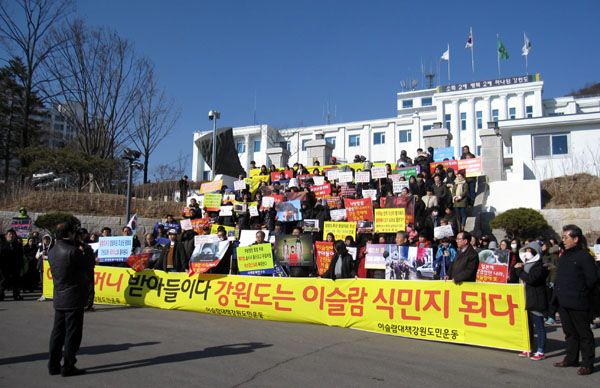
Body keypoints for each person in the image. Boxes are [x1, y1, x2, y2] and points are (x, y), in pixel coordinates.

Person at [48, 221, 94, 376]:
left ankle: (53, 365)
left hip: (59, 296)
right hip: (73, 297)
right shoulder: (73, 251)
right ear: (69, 233)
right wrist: (86, 251)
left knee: (57, 333)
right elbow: (88, 270)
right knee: (72, 334)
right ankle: (68, 366)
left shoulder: (53, 250)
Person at [553, 225, 598, 375]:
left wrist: (580, 292)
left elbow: (592, 279)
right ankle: (571, 358)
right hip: (564, 301)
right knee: (570, 332)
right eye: (562, 237)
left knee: (584, 334)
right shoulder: (564, 255)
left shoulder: (584, 256)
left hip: (579, 302)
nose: (563, 240)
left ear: (576, 239)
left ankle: (587, 363)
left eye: (566, 237)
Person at [514, 242, 549, 361]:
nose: (527, 253)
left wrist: (519, 271)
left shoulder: (540, 266)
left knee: (539, 326)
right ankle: (528, 347)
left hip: (536, 299)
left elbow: (531, 279)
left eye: (530, 251)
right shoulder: (525, 265)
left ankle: (541, 350)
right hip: (526, 298)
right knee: (527, 325)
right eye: (526, 250)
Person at [0, 229, 24, 301]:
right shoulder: (2, 245)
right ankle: (1, 295)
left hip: (15, 267)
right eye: (9, 234)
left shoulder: (18, 245)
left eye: (13, 234)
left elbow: (20, 257)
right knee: (3, 281)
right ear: (6, 236)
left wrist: (21, 267)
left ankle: (16, 295)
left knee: (16, 282)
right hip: (4, 267)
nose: (11, 236)